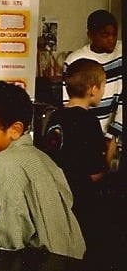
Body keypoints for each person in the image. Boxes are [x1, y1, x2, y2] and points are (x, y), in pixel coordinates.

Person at [0, 81, 86, 259]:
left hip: (42, 270)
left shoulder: (6, 163)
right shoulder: (41, 157)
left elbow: (3, 239)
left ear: (15, 130)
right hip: (70, 264)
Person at [43, 59, 115, 251]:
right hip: (81, 199)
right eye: (103, 86)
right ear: (93, 89)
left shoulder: (55, 116)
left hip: (56, 195)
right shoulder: (89, 121)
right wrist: (109, 158)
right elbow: (94, 173)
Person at [63, 9, 122, 149]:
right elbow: (69, 102)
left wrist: (113, 136)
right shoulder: (75, 60)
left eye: (114, 34)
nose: (111, 39)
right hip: (85, 134)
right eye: (105, 35)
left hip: (114, 134)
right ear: (91, 35)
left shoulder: (121, 52)